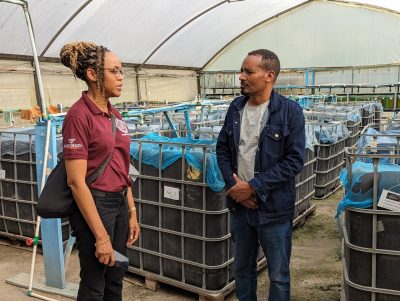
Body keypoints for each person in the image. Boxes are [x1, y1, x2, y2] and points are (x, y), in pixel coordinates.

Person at [216, 49, 305, 301]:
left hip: (274, 209)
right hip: (240, 208)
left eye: (248, 71)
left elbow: (294, 161)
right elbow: (222, 148)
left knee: (278, 275)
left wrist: (253, 187)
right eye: (241, 70)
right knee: (243, 270)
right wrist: (235, 187)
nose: (241, 76)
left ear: (269, 75)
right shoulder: (236, 108)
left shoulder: (290, 112)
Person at [60, 41, 140, 301]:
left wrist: (131, 211)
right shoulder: (79, 116)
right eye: (114, 71)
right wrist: (101, 237)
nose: (120, 77)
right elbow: (75, 182)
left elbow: (122, 165)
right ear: (93, 75)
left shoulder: (114, 113)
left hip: (117, 202)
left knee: (115, 277)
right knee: (95, 282)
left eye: (121, 71)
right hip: (94, 204)